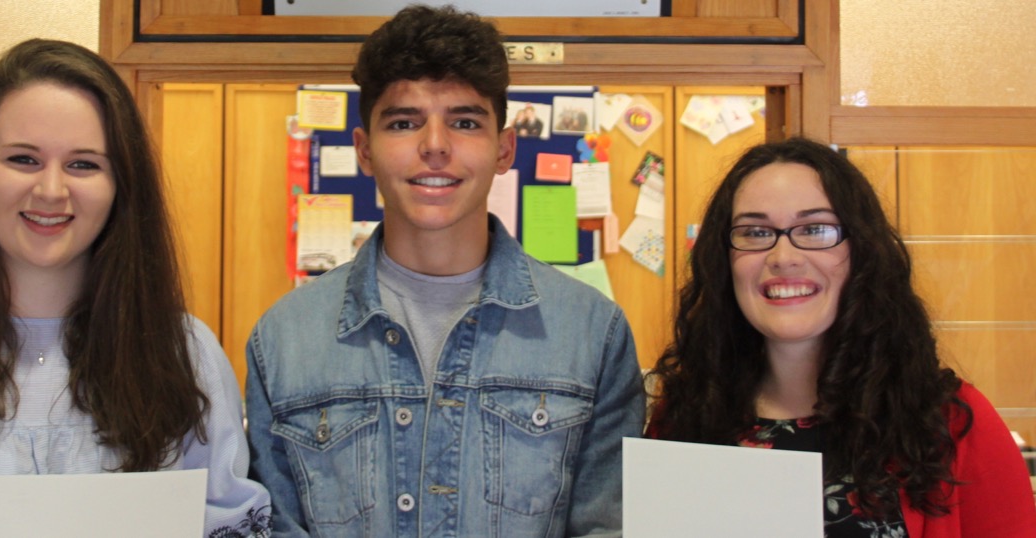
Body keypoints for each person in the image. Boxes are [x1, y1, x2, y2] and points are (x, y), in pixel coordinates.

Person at [0, 39, 269, 537]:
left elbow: (229, 521)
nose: (50, 190)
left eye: (84, 164)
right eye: (23, 159)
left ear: (121, 184)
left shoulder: (184, 353)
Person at [245, 5, 644, 536]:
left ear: (504, 149)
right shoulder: (284, 339)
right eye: (404, 122)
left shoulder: (592, 333)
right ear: (365, 151)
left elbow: (607, 526)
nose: (434, 145)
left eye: (464, 122)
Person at [646, 137, 1036, 536]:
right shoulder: (683, 417)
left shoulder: (951, 424)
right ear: (723, 260)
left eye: (815, 229)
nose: (783, 257)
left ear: (862, 250)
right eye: (755, 232)